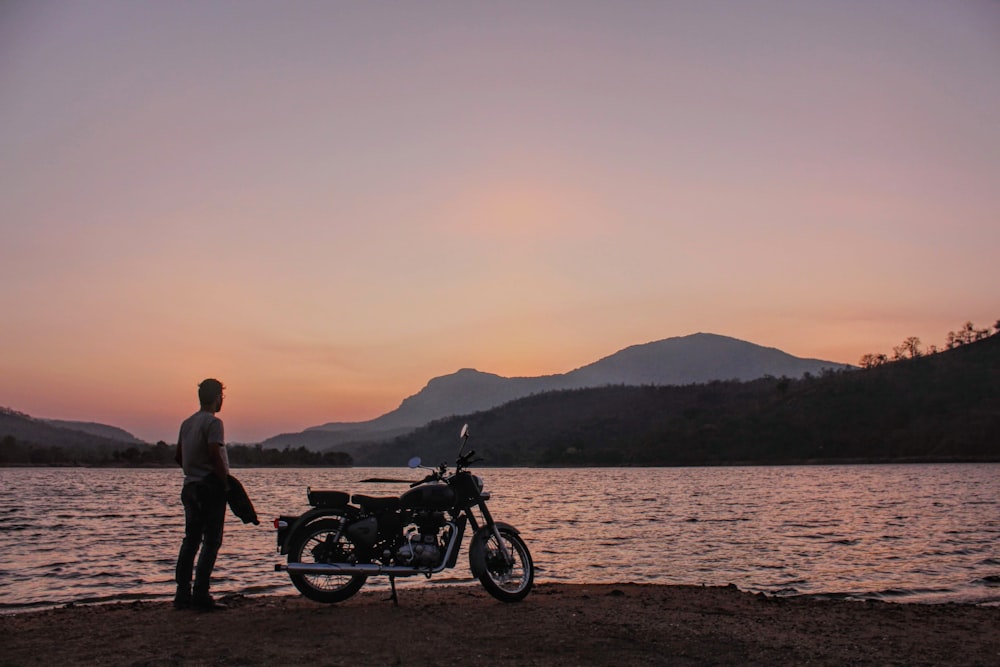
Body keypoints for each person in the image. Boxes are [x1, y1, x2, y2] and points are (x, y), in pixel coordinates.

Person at [174, 378, 230, 611]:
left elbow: (178, 455)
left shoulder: (187, 423)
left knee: (191, 540)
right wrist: (224, 482)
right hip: (209, 487)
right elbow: (214, 454)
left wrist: (193, 469)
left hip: (190, 487)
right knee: (211, 541)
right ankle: (201, 594)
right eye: (221, 397)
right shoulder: (213, 423)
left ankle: (182, 594)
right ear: (217, 397)